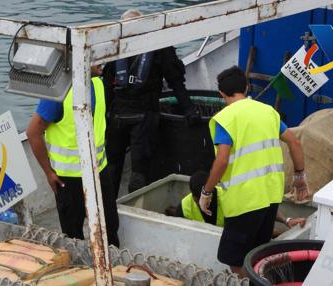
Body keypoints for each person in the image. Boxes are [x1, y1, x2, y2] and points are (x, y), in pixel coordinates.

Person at [199, 66, 309, 277]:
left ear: (221, 93)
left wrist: (207, 191)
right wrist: (299, 178)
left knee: (234, 260)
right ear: (247, 87)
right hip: (270, 197)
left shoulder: (226, 118)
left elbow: (222, 161)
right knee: (258, 256)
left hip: (244, 201)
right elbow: (294, 142)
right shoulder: (268, 112)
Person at [103, 9, 200, 197]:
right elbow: (176, 81)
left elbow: (106, 87)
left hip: (116, 117)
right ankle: (136, 207)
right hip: (144, 117)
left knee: (112, 166)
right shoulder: (160, 47)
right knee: (140, 169)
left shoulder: (112, 47)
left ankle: (108, 208)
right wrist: (189, 109)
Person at [26, 66, 120, 247]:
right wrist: (49, 173)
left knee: (109, 228)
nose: (102, 62)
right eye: (94, 56)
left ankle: (113, 269)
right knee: (73, 236)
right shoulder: (58, 93)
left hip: (99, 171)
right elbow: (33, 133)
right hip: (69, 180)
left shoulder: (98, 84)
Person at [173, 171, 306, 231]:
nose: (207, 201)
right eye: (201, 198)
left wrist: (287, 220)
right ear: (194, 196)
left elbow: (260, 205)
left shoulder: (226, 195)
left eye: (209, 195)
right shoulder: (184, 208)